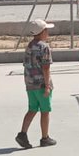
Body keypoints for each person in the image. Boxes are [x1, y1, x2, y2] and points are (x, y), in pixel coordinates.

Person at [16, 18, 56, 148]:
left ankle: (22, 134)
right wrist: (47, 86)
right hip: (41, 85)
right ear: (42, 32)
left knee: (32, 109)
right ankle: (45, 137)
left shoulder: (30, 46)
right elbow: (46, 68)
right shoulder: (44, 47)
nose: (48, 33)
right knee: (45, 110)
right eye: (46, 30)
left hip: (30, 84)